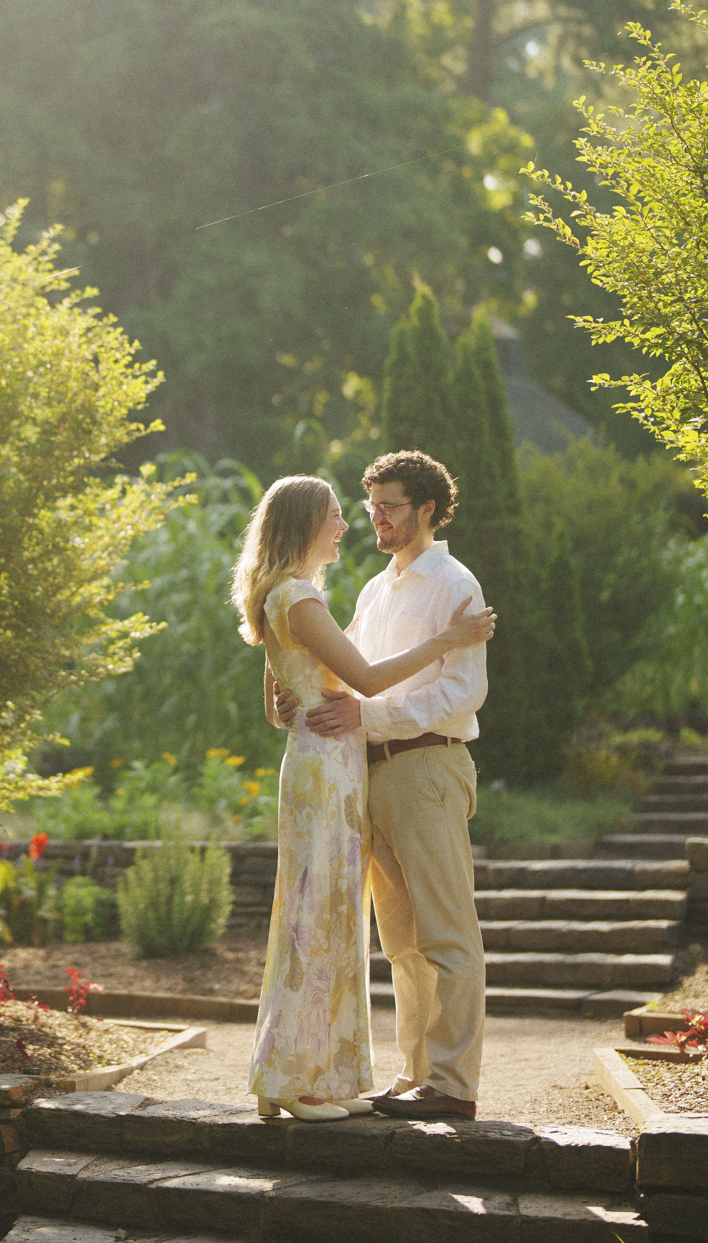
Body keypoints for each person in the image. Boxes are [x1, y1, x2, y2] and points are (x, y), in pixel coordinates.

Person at [233, 474, 497, 1121]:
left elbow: (459, 695)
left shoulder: (455, 586)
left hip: (423, 765)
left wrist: (356, 716)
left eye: (389, 506)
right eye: (366, 506)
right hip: (359, 774)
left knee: (445, 931)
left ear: (427, 509)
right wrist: (304, 702)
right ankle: (416, 1073)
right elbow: (342, 678)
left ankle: (453, 1083)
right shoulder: (373, 591)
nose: (370, 518)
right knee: (400, 941)